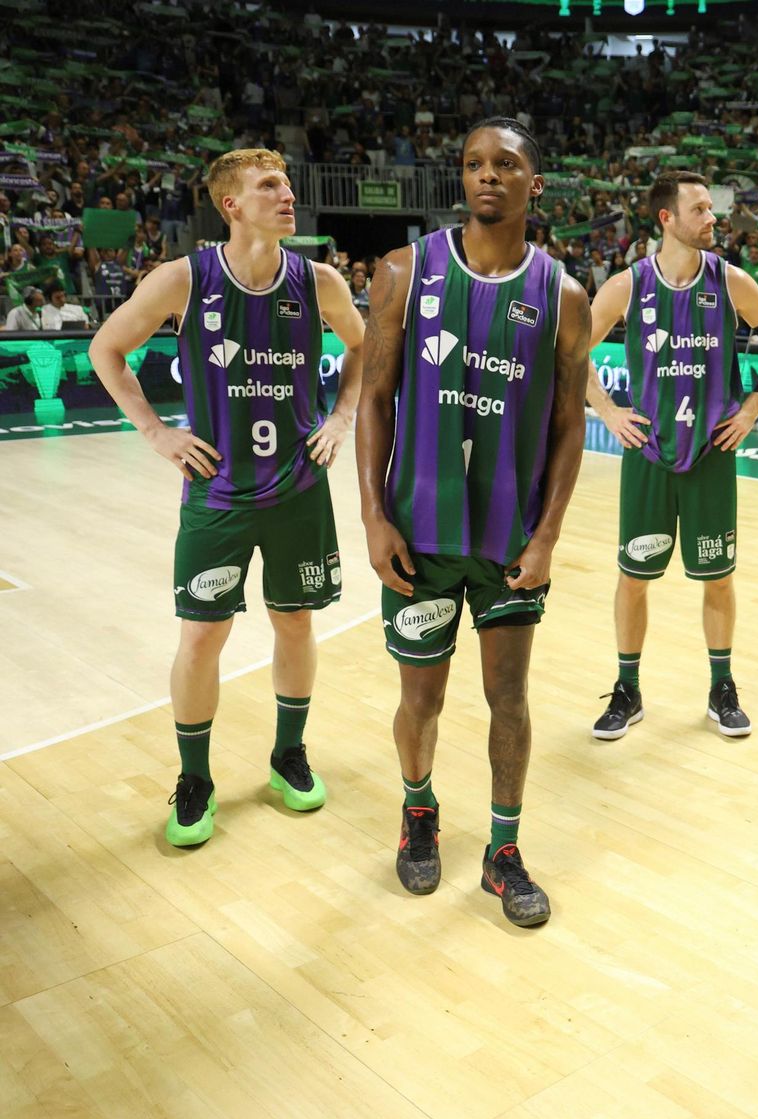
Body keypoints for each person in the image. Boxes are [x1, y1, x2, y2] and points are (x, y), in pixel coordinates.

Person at [87, 149, 365, 847]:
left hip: (298, 487)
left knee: (295, 623)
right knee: (204, 634)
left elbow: (369, 348)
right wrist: (156, 432)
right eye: (268, 186)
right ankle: (194, 778)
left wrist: (340, 418)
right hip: (218, 491)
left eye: (288, 183)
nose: (287, 194)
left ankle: (288, 754)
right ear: (230, 205)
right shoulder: (183, 280)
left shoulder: (318, 280)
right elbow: (106, 349)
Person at [356, 118, 590, 927]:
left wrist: (550, 534)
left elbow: (568, 426)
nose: (486, 176)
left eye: (506, 165)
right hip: (417, 537)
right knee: (421, 699)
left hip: (508, 544)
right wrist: (373, 514)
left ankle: (503, 851)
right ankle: (419, 812)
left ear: (534, 183)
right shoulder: (402, 271)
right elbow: (373, 400)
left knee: (509, 698)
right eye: (473, 164)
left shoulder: (562, 296)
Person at [585, 171, 758, 741]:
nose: (712, 219)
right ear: (667, 220)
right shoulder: (628, 286)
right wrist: (607, 410)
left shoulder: (730, 281)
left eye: (711, 209)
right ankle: (627, 691)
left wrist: (751, 409)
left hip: (710, 450)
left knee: (718, 578)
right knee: (633, 578)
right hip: (649, 452)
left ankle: (721, 687)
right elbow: (570, 347)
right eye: (700, 210)